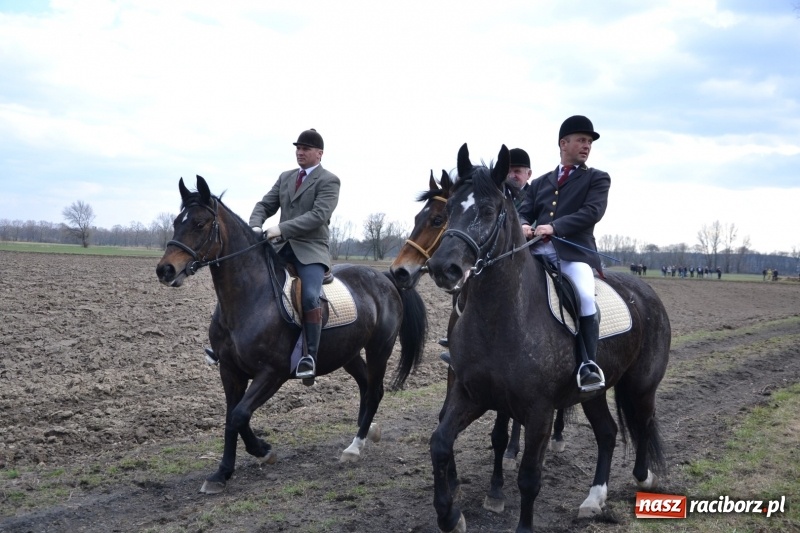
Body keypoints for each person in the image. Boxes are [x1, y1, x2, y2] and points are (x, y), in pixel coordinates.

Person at [205, 129, 340, 383]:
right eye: (298, 148)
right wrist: (255, 225)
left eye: (306, 149)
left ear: (319, 154)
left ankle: (309, 356)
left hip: (311, 250)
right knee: (242, 284)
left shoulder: (329, 181)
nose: (300, 152)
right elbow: (265, 205)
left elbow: (318, 215)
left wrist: (281, 228)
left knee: (310, 296)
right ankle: (221, 343)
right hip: (280, 248)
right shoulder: (286, 177)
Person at [518, 115, 610, 392]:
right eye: (581, 140)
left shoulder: (597, 178)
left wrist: (554, 227)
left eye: (589, 142)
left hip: (573, 255)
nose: (587, 146)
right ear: (563, 143)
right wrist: (523, 223)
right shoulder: (541, 182)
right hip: (536, 252)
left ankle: (588, 364)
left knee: (584, 296)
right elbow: (524, 209)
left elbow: (592, 212)